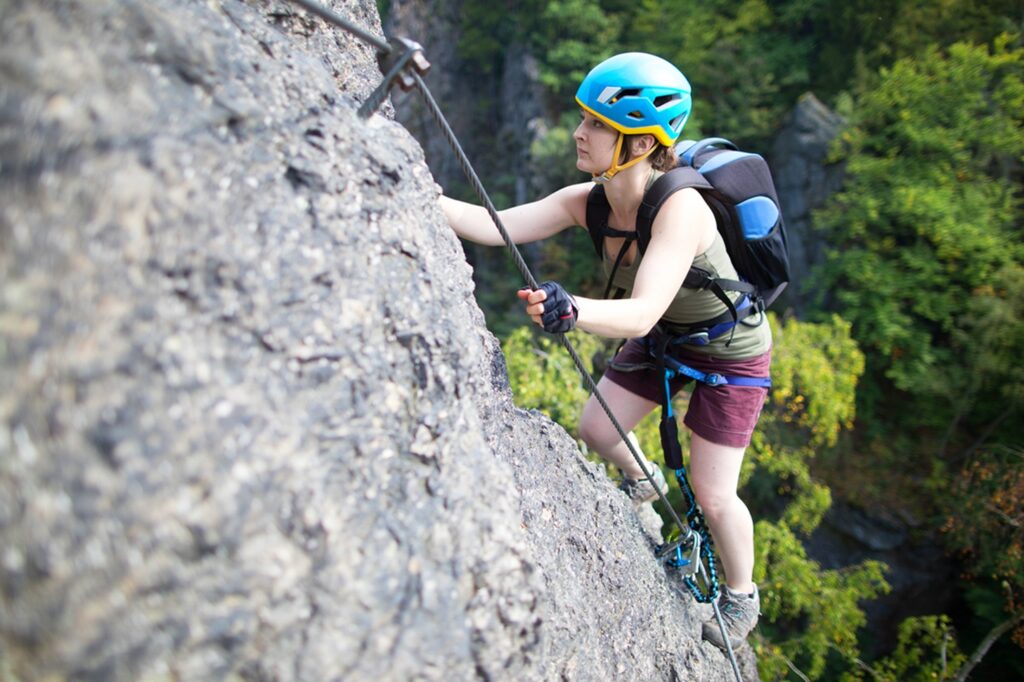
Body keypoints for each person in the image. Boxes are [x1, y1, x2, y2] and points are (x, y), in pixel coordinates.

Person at [439, 52, 767, 651]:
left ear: (640, 142)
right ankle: (646, 485)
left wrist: (573, 309)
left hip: (730, 352)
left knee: (715, 491)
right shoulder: (589, 201)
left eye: (595, 124)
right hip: (668, 335)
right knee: (598, 427)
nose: (578, 132)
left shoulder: (681, 209)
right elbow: (497, 225)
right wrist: (416, 189)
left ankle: (741, 598)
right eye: (583, 119)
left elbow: (639, 312)